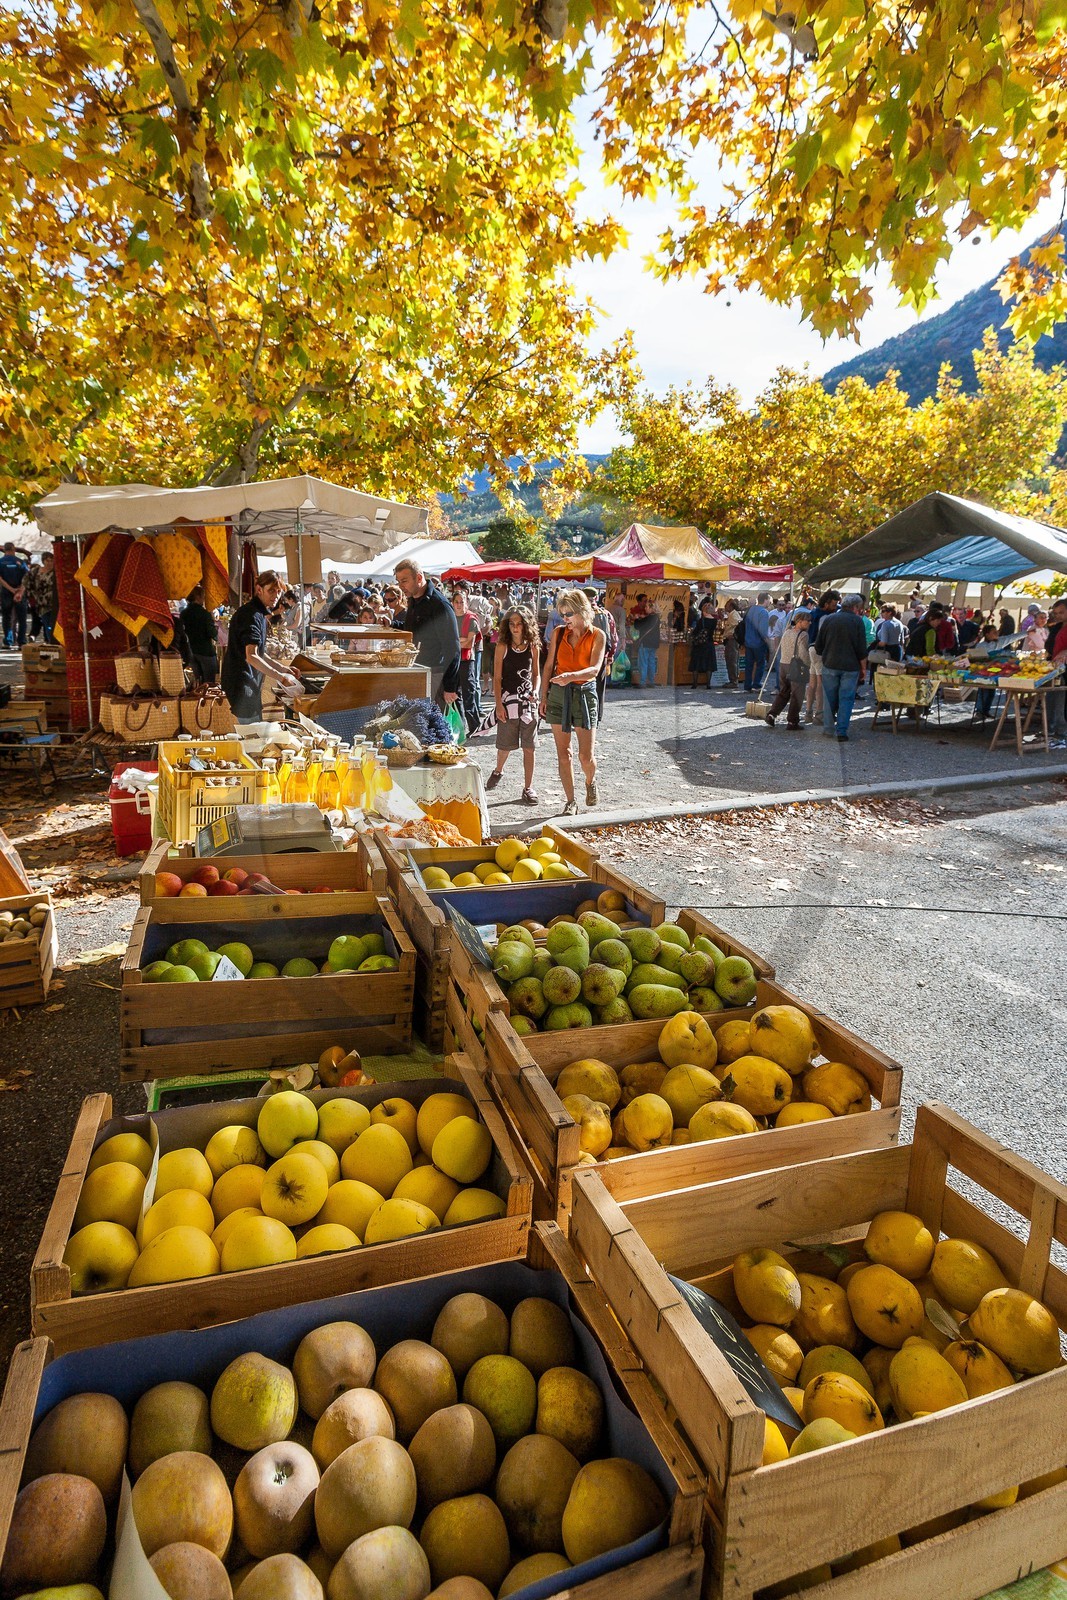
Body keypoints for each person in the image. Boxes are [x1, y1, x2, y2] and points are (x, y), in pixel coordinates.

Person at [540, 588, 605, 815]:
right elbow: (548, 666)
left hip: (584, 694)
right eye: (562, 614)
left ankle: (590, 780)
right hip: (558, 694)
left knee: (585, 756)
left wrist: (570, 677)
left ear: (582, 611)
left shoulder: (598, 635)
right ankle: (570, 802)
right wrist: (543, 696)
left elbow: (595, 670)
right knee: (563, 753)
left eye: (569, 614)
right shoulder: (558, 633)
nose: (565, 619)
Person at [220, 571, 301, 722]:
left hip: (246, 681)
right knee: (251, 734)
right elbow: (252, 656)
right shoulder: (251, 615)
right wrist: (281, 677)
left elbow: (259, 652)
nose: (275, 596)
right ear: (259, 589)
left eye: (278, 592)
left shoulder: (259, 614)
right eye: (271, 590)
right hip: (242, 681)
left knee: (253, 730)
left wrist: (283, 668)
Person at [487, 606, 540, 803]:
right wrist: (498, 705)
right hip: (508, 701)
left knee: (530, 746)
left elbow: (536, 674)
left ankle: (528, 787)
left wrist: (535, 690)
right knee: (505, 745)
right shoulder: (503, 645)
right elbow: (497, 678)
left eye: (519, 624)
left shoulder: (533, 645)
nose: (515, 628)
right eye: (512, 624)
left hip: (527, 702)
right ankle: (498, 770)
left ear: (526, 625)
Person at [394, 558, 460, 707]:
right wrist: (392, 624)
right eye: (398, 582)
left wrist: (450, 687)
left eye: (404, 581)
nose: (400, 586)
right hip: (417, 673)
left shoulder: (440, 605)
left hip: (436, 677)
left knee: (437, 727)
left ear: (418, 577)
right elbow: (414, 630)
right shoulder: (413, 600)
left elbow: (452, 648)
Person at [815, 594, 868, 741]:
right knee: (846, 698)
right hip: (850, 666)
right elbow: (862, 649)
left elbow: (818, 646)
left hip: (830, 664)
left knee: (829, 698)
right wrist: (863, 669)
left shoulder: (829, 619)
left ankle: (828, 729)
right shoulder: (858, 621)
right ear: (856, 607)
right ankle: (842, 731)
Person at [765, 610, 811, 730]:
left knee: (784, 692)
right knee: (797, 694)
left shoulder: (787, 632)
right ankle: (792, 721)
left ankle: (772, 714)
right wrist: (809, 665)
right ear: (800, 621)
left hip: (783, 664)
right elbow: (802, 653)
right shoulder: (803, 635)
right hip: (795, 666)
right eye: (808, 621)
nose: (810, 623)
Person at [451, 587, 483, 736]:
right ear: (453, 603)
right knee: (455, 694)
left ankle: (475, 725)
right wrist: (460, 640)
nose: (459, 604)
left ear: (466, 602)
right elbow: (449, 641)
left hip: (466, 660)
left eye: (461, 601)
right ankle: (462, 726)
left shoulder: (471, 619)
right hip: (453, 660)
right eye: (456, 602)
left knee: (468, 694)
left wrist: (455, 641)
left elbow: (469, 644)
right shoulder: (450, 617)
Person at [805, 590, 839, 723]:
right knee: (821, 683)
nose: (835, 607)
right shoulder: (825, 616)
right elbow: (823, 635)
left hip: (812, 648)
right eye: (834, 604)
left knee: (812, 682)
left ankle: (808, 713)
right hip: (819, 650)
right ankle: (819, 715)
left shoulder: (814, 612)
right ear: (826, 603)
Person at [583, 586, 617, 721]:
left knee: (582, 685)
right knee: (599, 687)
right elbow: (614, 637)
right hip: (602, 656)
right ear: (596, 598)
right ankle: (596, 716)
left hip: (583, 655)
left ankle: (583, 715)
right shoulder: (605, 614)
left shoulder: (581, 613)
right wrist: (610, 655)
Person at [183, 584, 219, 684]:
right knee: (209, 683)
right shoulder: (204, 614)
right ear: (198, 597)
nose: (204, 598)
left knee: (198, 683)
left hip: (191, 650)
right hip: (205, 651)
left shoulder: (184, 613)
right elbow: (212, 633)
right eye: (203, 596)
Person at [1044, 597, 1067, 748]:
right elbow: (1049, 645)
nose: (1058, 615)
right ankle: (1050, 730)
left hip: (1065, 670)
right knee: (1051, 699)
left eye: (1061, 612)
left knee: (1061, 702)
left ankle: (1061, 732)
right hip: (1055, 668)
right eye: (1056, 613)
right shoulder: (1057, 627)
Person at [0, 542, 29, 649]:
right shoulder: (20, 562)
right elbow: (26, 578)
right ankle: (22, 642)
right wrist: (20, 591)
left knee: (6, 617)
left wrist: (11, 590)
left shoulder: (1, 562)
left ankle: (8, 641)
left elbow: (0, 579)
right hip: (19, 592)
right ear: (13, 549)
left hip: (6, 592)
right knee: (22, 618)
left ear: (4, 550)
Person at [743, 590, 772, 692]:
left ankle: (747, 685)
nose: (770, 602)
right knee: (760, 664)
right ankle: (756, 685)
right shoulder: (764, 612)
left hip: (748, 641)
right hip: (758, 643)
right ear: (765, 600)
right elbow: (763, 631)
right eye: (769, 600)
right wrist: (768, 642)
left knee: (749, 665)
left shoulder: (751, 610)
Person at [26, 552, 57, 642]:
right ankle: (50, 641)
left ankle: (51, 641)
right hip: (42, 604)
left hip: (55, 604)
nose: (50, 563)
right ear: (43, 561)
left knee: (53, 625)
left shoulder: (56, 572)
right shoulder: (36, 572)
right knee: (47, 624)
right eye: (47, 560)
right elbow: (27, 584)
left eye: (52, 560)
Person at [973, 624, 1002, 721]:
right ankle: (979, 711)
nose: (996, 633)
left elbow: (1012, 637)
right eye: (994, 632)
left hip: (995, 671)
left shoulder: (999, 642)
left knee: (991, 692)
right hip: (983, 671)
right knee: (983, 691)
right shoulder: (981, 646)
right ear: (987, 634)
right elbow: (976, 659)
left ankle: (986, 710)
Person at [632, 595, 661, 687]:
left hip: (646, 643)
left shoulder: (649, 618)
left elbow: (638, 626)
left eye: (647, 607)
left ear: (651, 608)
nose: (645, 608)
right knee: (651, 662)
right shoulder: (656, 617)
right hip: (654, 643)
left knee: (643, 662)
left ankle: (643, 682)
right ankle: (651, 681)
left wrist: (636, 619)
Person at [688, 597, 718, 686]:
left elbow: (695, 632)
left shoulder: (701, 621)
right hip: (709, 643)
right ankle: (708, 683)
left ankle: (695, 683)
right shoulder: (715, 621)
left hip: (699, 644)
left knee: (696, 664)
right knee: (709, 665)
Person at [717, 598, 742, 687]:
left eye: (726, 605)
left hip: (732, 640)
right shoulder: (731, 614)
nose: (725, 607)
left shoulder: (734, 615)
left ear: (731, 606)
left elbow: (738, 625)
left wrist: (734, 635)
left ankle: (733, 681)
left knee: (732, 660)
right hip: (729, 640)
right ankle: (732, 679)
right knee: (730, 660)